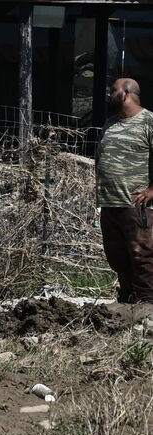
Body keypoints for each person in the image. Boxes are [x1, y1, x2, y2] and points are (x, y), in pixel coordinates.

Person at [97, 77, 153, 304]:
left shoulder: (149, 122)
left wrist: (152, 190)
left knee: (142, 256)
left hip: (136, 205)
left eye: (113, 90)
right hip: (110, 203)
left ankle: (148, 307)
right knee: (117, 257)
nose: (109, 95)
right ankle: (127, 302)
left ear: (127, 93)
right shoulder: (110, 124)